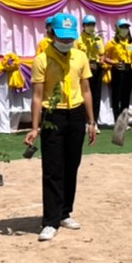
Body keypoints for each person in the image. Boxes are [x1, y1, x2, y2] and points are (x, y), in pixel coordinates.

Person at [25, 13, 97, 242]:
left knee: (71, 165)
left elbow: (86, 90)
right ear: (50, 34)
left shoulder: (80, 57)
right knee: (53, 169)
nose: (66, 42)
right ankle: (50, 221)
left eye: (69, 39)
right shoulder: (41, 60)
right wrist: (35, 127)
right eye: (61, 38)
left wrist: (92, 121)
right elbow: (37, 96)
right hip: (52, 116)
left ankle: (65, 212)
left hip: (75, 115)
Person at [103, 18, 132, 122]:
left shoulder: (130, 43)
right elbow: (104, 57)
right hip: (117, 70)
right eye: (122, 27)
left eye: (126, 27)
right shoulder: (111, 43)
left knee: (126, 96)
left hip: (128, 69)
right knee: (116, 95)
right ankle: (116, 119)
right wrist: (113, 63)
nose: (125, 29)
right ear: (117, 29)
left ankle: (124, 120)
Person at [78, 14, 106, 125]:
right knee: (84, 94)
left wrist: (101, 60)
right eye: (88, 24)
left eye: (93, 24)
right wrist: (86, 64)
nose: (91, 27)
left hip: (97, 68)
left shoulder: (98, 39)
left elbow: (102, 53)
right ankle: (85, 120)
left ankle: (94, 121)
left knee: (96, 95)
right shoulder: (79, 39)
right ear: (83, 25)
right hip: (84, 68)